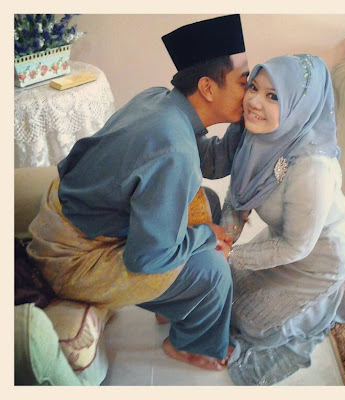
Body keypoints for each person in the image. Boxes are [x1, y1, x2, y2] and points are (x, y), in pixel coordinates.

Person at [26, 14, 249, 372]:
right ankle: (191, 346)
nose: (249, 92)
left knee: (206, 202)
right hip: (72, 258)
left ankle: (171, 303)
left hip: (72, 219)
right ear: (208, 88)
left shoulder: (161, 101)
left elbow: (210, 159)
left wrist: (249, 121)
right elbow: (147, 259)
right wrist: (207, 236)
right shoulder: (172, 147)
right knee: (212, 269)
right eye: (244, 82)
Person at [219, 54, 345, 385]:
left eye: (273, 96)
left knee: (251, 324)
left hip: (319, 256)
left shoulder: (312, 167)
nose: (254, 102)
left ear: (299, 106)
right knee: (227, 295)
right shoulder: (257, 136)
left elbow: (296, 247)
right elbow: (238, 197)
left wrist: (231, 254)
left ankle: (320, 313)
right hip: (285, 237)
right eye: (253, 87)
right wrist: (226, 237)